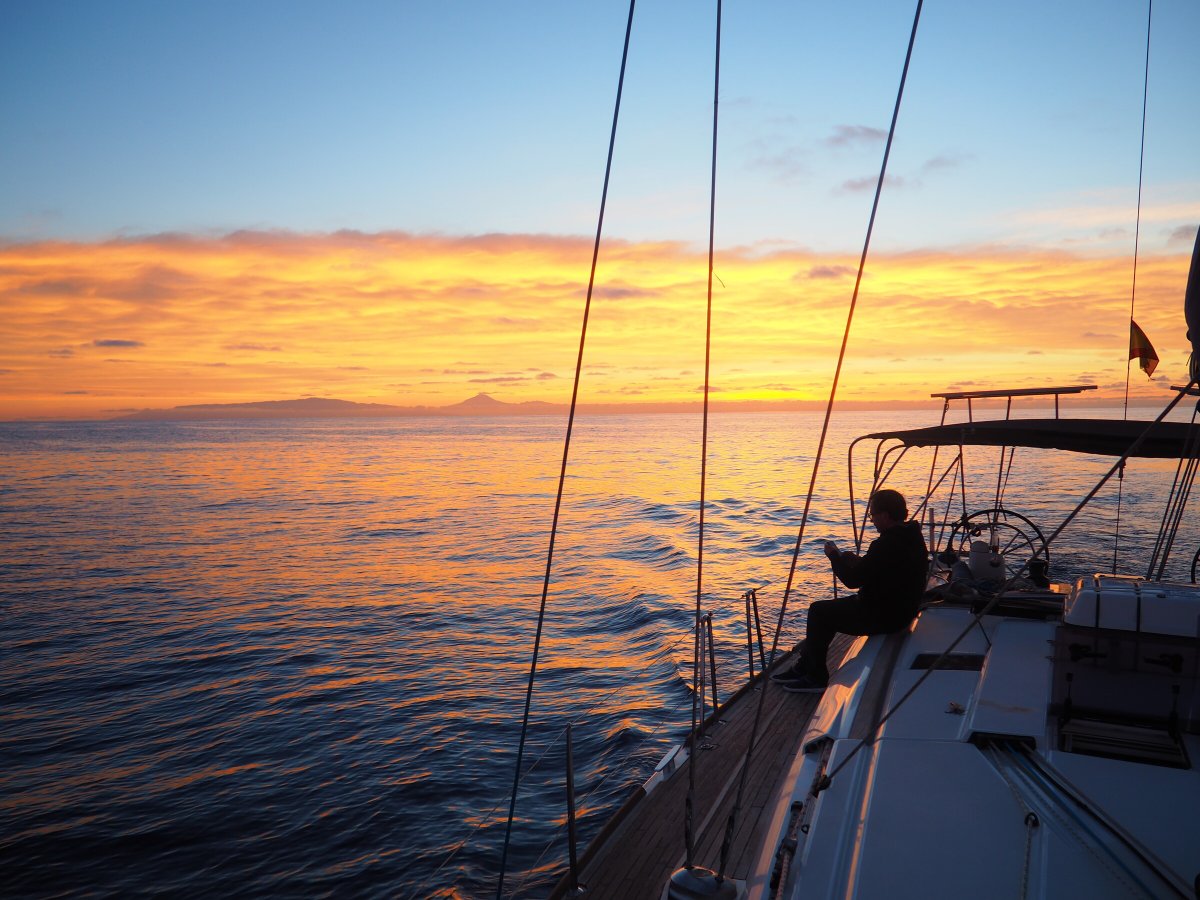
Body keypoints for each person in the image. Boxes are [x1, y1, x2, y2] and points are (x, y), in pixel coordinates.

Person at [774, 488, 929, 693]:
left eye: (872, 514)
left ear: (884, 515)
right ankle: (806, 665)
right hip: (899, 608)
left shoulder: (887, 543)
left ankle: (816, 677)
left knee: (818, 612)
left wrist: (834, 557)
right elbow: (885, 568)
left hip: (884, 616)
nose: (872, 519)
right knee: (829, 610)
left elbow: (852, 581)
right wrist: (858, 561)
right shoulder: (911, 535)